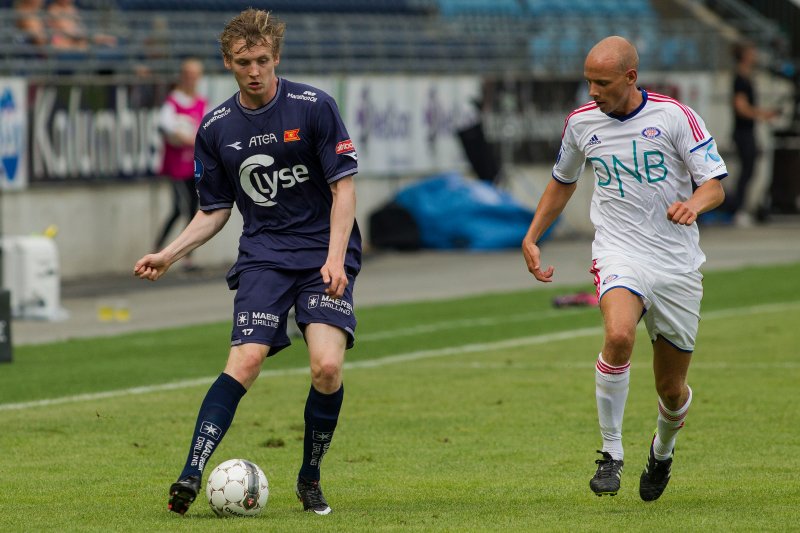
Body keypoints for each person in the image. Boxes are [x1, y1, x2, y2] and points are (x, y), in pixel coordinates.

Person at [133, 8, 361, 516]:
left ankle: (309, 478)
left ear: (275, 57)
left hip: (324, 252)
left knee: (326, 367)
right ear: (228, 63)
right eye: (243, 62)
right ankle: (190, 474)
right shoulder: (215, 127)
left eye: (262, 60)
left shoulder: (314, 107)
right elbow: (213, 210)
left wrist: (335, 257)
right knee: (246, 359)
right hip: (264, 255)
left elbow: (343, 186)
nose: (254, 70)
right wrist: (168, 255)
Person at [521, 36, 726, 502]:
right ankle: (611, 454)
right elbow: (562, 182)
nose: (593, 90)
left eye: (603, 82)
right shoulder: (580, 124)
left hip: (675, 263)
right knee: (617, 336)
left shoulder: (674, 116)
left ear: (631, 78)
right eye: (589, 81)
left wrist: (694, 204)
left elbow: (714, 183)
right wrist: (532, 235)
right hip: (619, 251)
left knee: (672, 390)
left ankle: (663, 449)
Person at [153, 58, 207, 270]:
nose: (192, 80)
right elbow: (167, 129)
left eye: (196, 76)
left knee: (193, 210)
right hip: (175, 166)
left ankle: (187, 257)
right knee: (178, 208)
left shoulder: (202, 103)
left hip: (193, 166)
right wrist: (190, 139)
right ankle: (158, 249)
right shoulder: (173, 102)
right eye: (189, 76)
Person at [727, 41, 778, 227]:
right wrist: (762, 114)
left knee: (750, 170)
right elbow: (740, 107)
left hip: (748, 131)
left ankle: (741, 208)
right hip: (743, 132)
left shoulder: (747, 77)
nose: (755, 56)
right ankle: (738, 209)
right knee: (746, 171)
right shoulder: (740, 78)